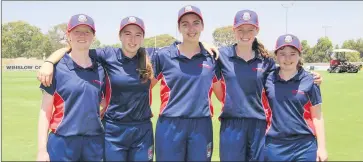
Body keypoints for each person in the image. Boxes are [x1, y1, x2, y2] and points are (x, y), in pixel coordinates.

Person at [36, 15, 219, 161]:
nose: (132, 39)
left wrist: (204, 45)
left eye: (138, 34)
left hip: (142, 130)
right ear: (120, 36)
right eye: (127, 34)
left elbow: (185, 48)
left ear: (143, 37)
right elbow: (75, 49)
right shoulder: (106, 55)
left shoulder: (150, 56)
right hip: (113, 129)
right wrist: (49, 61)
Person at [215, 10, 322, 161]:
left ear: (257, 30)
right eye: (240, 29)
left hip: (259, 124)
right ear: (234, 30)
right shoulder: (221, 55)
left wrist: (311, 77)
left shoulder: (266, 61)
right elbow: (209, 75)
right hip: (231, 124)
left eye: (250, 29)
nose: (245, 34)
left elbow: (286, 72)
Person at [152, 5, 220, 161]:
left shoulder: (212, 57)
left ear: (202, 26)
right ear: (179, 28)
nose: (191, 28)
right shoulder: (163, 56)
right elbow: (145, 88)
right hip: (170, 124)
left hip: (201, 125)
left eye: (196, 23)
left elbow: (222, 94)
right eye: (185, 24)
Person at [36, 14, 107, 161]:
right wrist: (42, 150)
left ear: (93, 36)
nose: (82, 35)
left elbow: (102, 101)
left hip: (94, 143)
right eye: (77, 31)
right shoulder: (55, 68)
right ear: (68, 35)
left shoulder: (101, 69)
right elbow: (45, 112)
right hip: (62, 143)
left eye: (87, 31)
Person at [263, 34, 328, 161]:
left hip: (304, 147)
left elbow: (317, 116)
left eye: (292, 53)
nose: (287, 58)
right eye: (282, 53)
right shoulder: (267, 79)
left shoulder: (311, 80)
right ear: (276, 55)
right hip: (275, 146)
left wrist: (322, 147)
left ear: (299, 55)